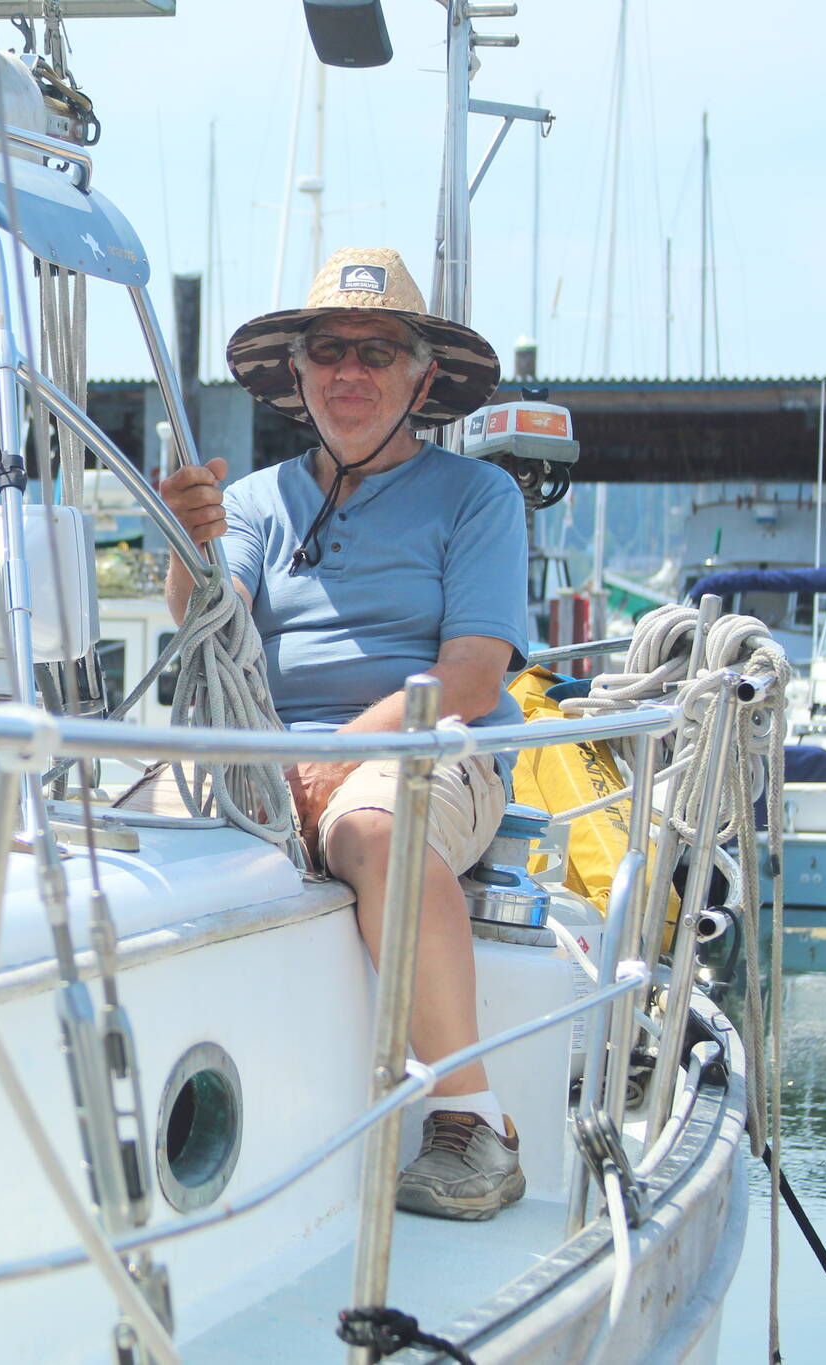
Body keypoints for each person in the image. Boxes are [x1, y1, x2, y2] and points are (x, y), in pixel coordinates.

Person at [157, 247, 530, 1222]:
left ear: (422, 379)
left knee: (375, 835)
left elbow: (470, 675)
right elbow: (211, 621)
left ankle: (471, 1125)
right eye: (327, 351)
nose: (348, 372)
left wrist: (332, 755)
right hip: (267, 753)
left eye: (376, 350)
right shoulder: (248, 502)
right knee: (100, 836)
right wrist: (185, 543)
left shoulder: (476, 498)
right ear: (297, 376)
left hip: (430, 747)